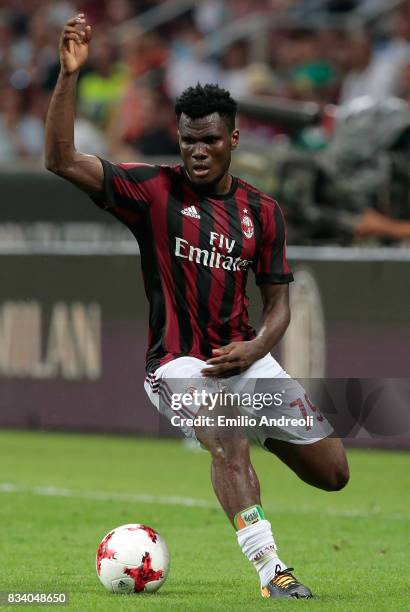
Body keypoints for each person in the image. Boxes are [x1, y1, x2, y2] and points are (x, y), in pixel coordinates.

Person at [45, 14, 349, 600]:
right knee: (226, 432)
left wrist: (256, 349)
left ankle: (253, 433)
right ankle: (272, 572)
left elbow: (279, 304)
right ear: (178, 139)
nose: (198, 151)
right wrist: (67, 77)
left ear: (233, 139)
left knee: (333, 473)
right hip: (179, 365)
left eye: (210, 140)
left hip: (246, 358)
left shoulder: (262, 212)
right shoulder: (152, 192)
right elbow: (61, 159)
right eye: (188, 141)